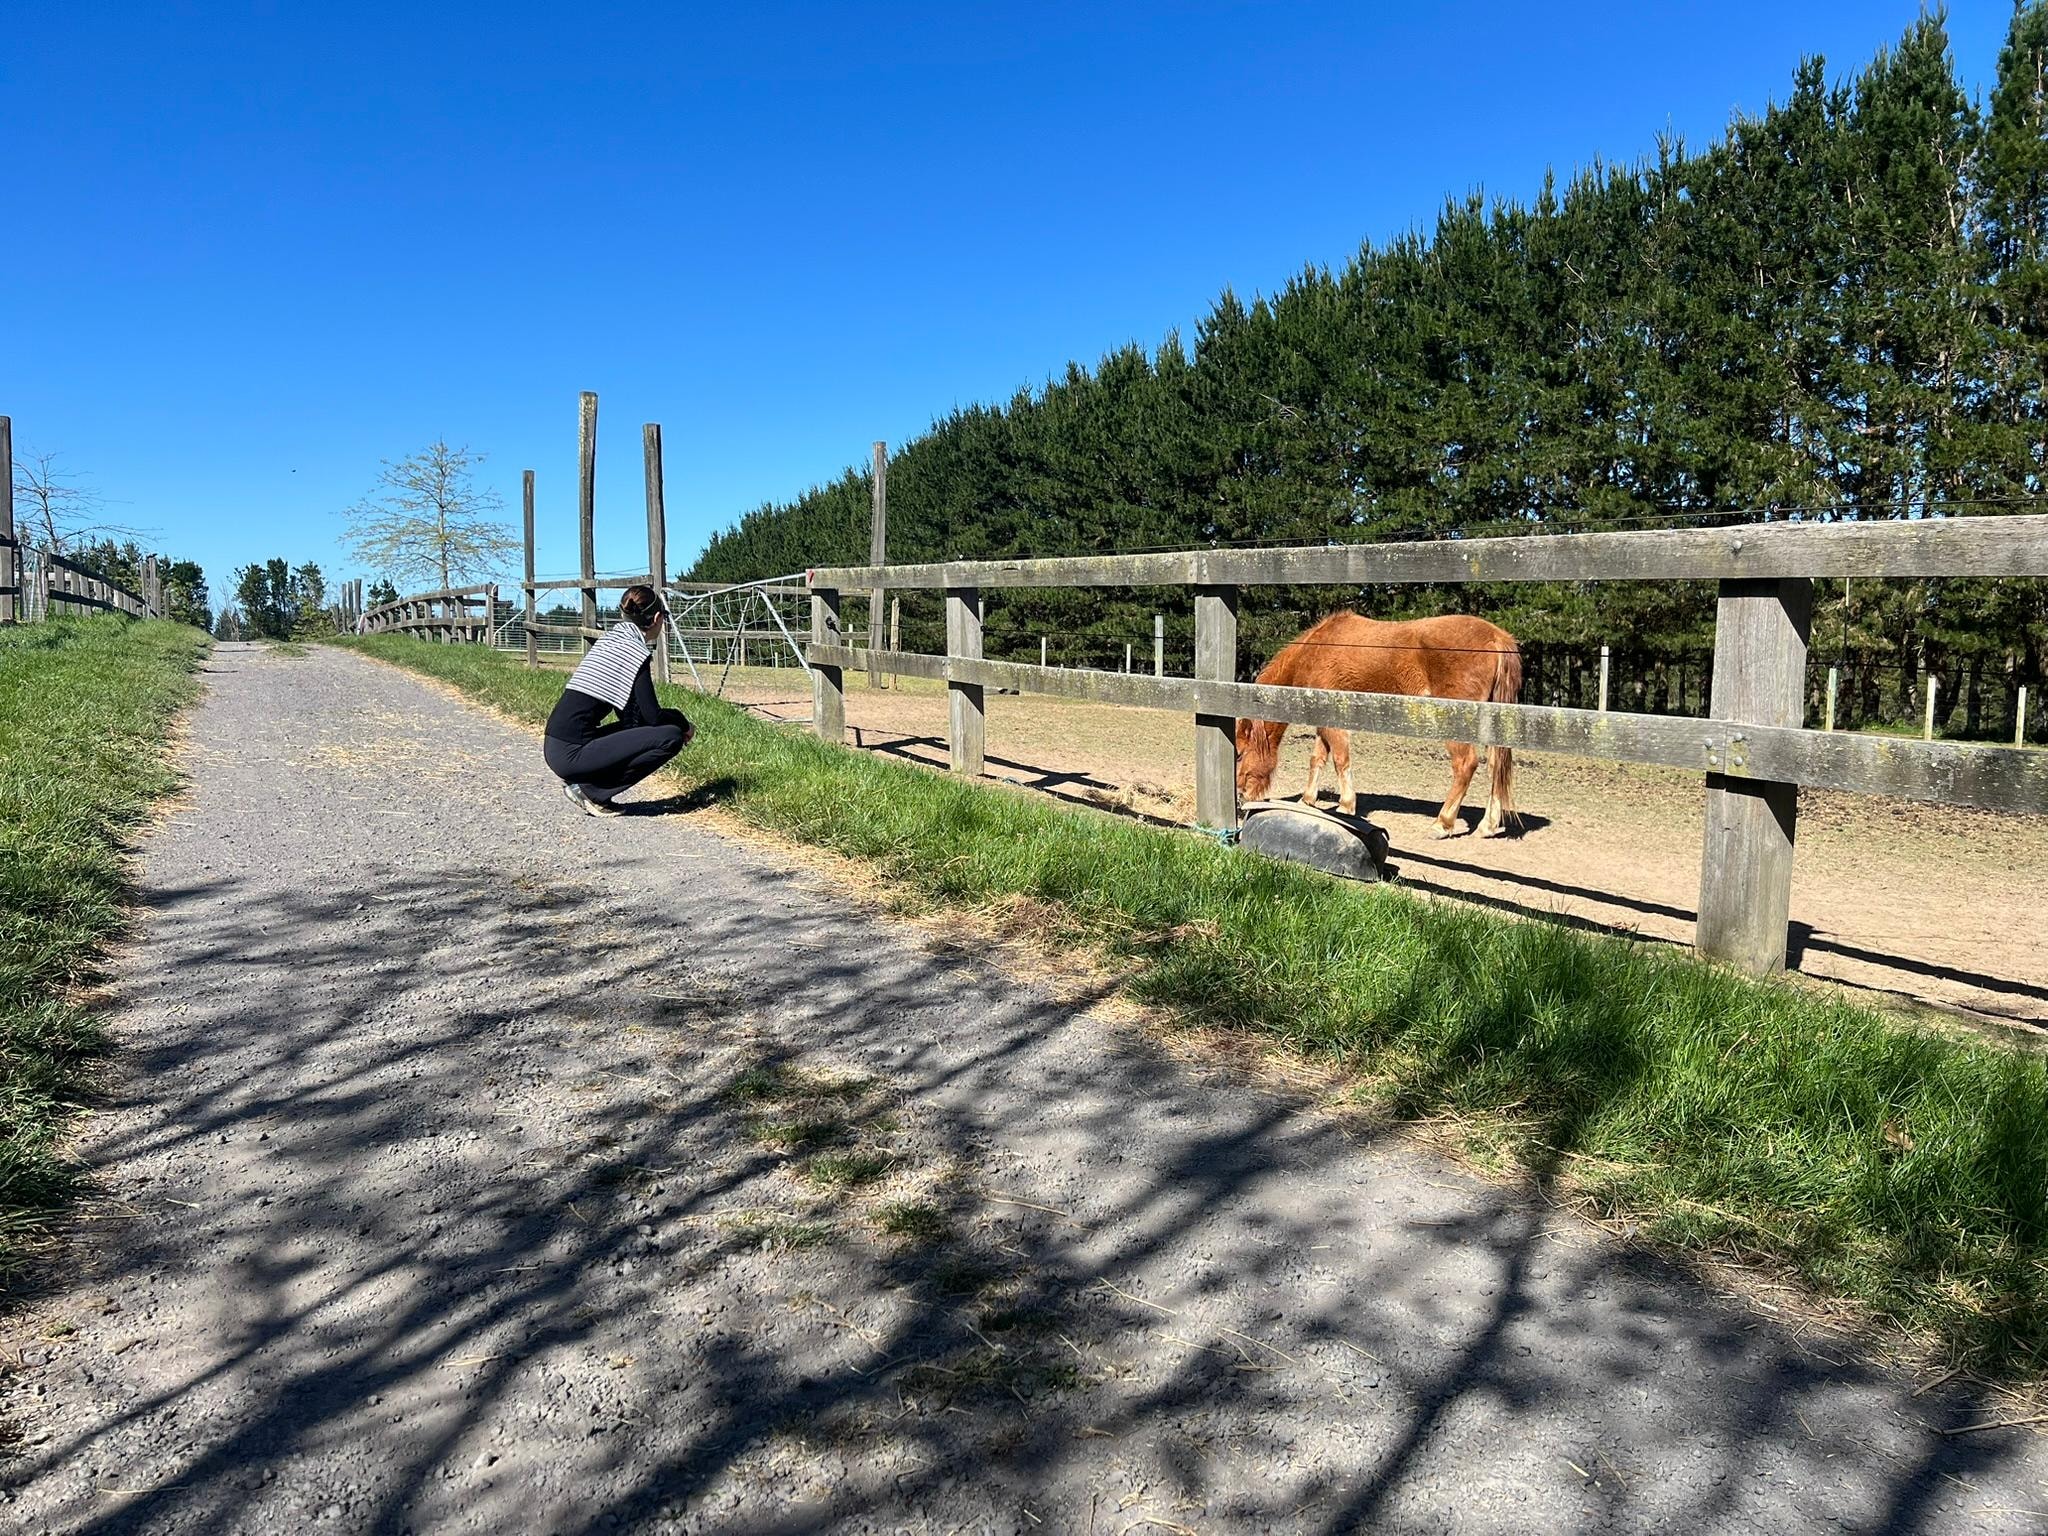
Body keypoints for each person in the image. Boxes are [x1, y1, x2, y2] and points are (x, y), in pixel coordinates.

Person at [544, 584, 693, 817]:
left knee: (649, 730)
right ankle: (591, 791)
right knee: (670, 737)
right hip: (571, 754)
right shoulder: (634, 650)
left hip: (558, 745)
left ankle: (587, 785)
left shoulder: (610, 641)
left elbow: (634, 718)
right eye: (664, 617)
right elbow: (653, 716)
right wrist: (683, 723)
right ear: (656, 618)